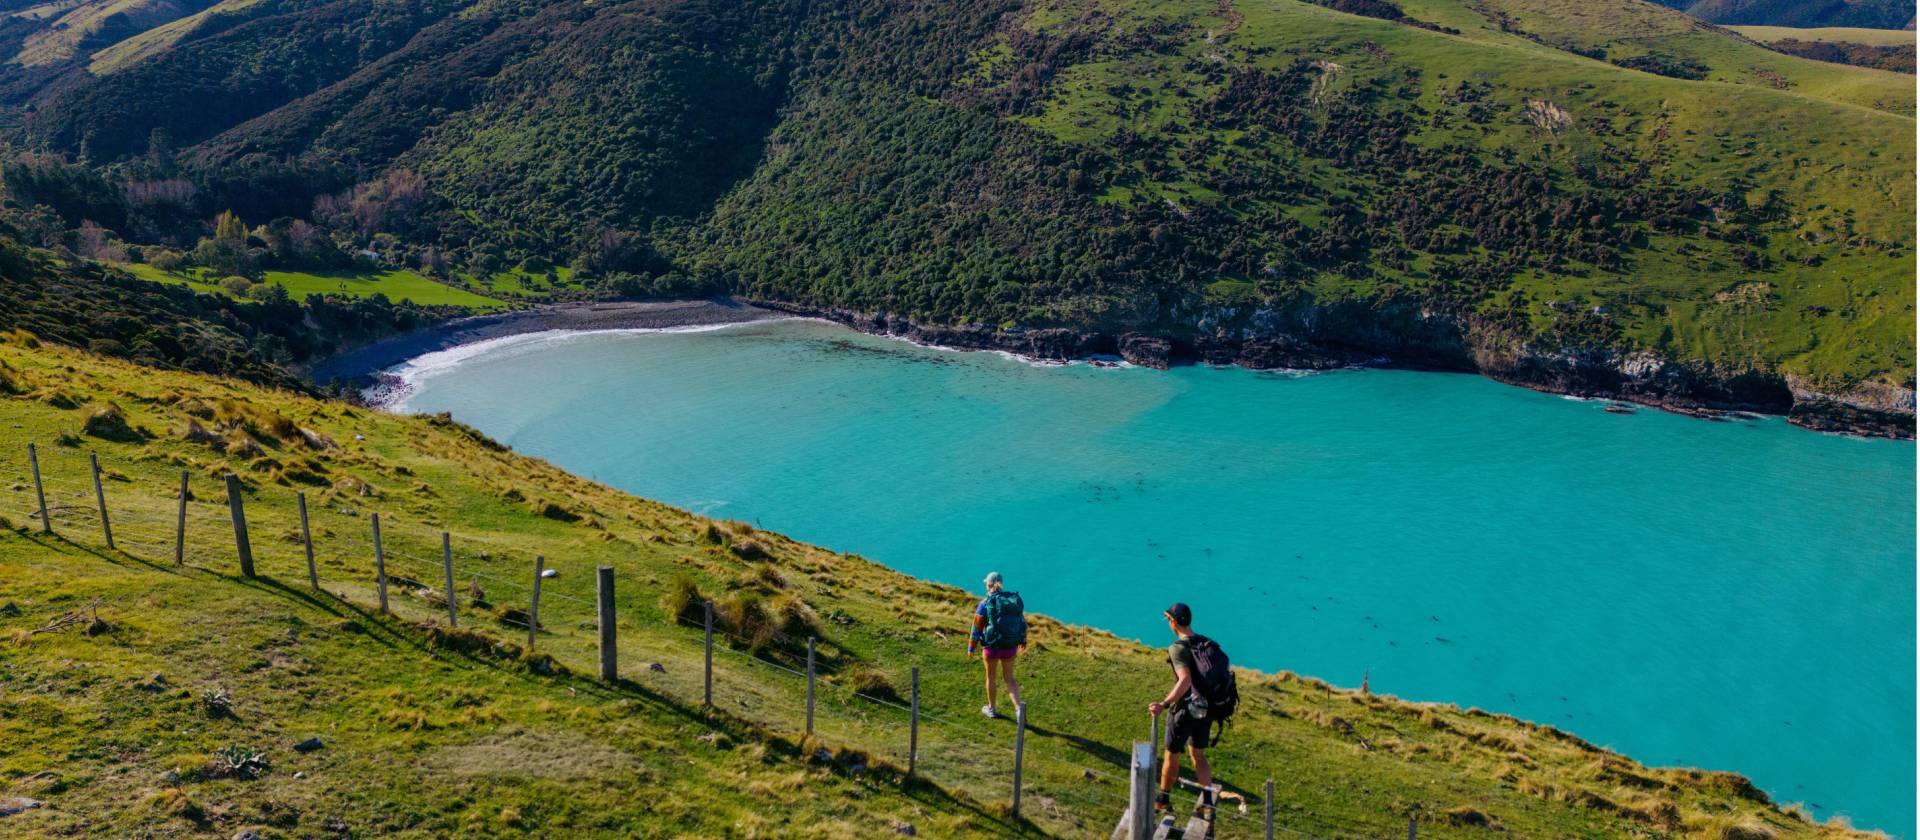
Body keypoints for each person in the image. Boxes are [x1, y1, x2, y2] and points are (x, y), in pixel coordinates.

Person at [1147, 602, 1219, 817]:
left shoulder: (1178, 648)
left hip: (1185, 711)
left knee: (1172, 755)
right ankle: (1208, 804)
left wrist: (1164, 704)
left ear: (1174, 621)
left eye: (1168, 619)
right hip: (1206, 709)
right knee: (1198, 754)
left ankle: (1162, 801)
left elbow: (1185, 680)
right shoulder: (1207, 643)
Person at [967, 571, 1026, 719]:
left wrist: (971, 647)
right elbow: (1022, 623)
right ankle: (1019, 710)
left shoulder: (985, 603)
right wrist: (1022, 641)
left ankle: (992, 709)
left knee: (991, 677)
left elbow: (976, 628)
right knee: (1009, 678)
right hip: (1009, 647)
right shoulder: (1011, 601)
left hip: (991, 647)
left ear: (989, 584)